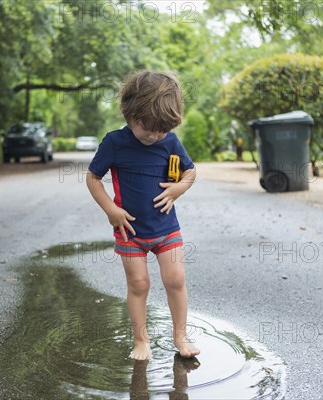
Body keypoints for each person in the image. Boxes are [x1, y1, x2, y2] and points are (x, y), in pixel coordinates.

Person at [86, 70, 200, 361]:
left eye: (161, 129)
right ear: (130, 114)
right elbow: (93, 178)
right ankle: (141, 340)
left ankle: (180, 336)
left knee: (176, 279)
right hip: (130, 232)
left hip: (167, 227)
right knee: (139, 284)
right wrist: (111, 210)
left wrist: (178, 189)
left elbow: (190, 171)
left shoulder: (170, 142)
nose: (154, 135)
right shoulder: (114, 143)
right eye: (147, 127)